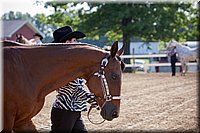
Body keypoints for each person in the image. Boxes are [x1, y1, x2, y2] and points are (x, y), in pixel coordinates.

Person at [50, 26, 98, 133]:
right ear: (67, 42)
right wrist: (94, 100)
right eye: (74, 40)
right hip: (64, 111)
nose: (78, 43)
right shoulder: (63, 65)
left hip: (73, 110)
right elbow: (75, 89)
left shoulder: (71, 63)